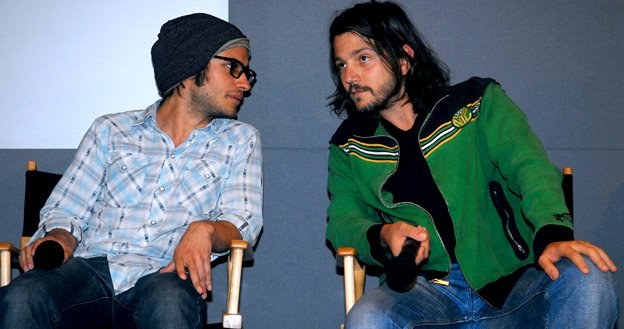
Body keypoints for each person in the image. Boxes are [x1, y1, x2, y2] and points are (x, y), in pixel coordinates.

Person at [325, 1, 618, 328]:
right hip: (424, 293)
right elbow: (342, 221)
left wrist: (552, 236)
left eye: (363, 58)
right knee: (367, 317)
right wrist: (384, 234)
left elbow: (529, 167)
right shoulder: (349, 145)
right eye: (340, 65)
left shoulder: (477, 104)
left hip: (514, 281)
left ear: (404, 59)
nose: (349, 76)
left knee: (587, 278)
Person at [0, 13, 263, 329]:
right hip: (89, 270)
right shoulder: (111, 130)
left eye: (247, 73)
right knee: (23, 296)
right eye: (233, 68)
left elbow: (242, 223)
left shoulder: (239, 140)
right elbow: (67, 210)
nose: (245, 83)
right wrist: (60, 236)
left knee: (169, 303)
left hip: (165, 274)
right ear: (190, 65)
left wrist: (206, 228)